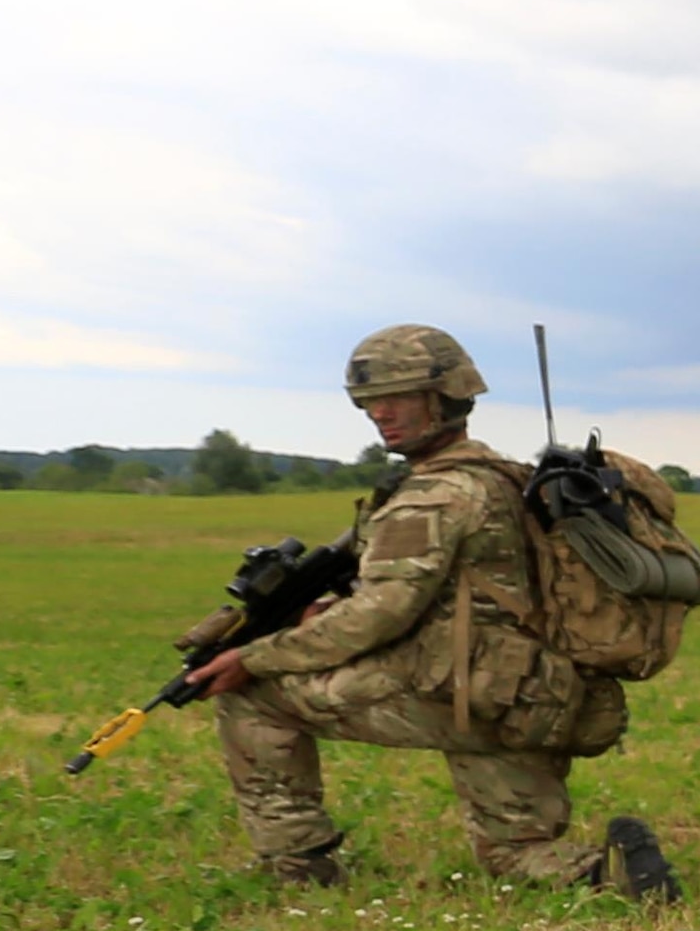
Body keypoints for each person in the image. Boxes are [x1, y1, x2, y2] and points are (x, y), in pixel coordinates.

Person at [191, 324, 675, 900]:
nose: (380, 414)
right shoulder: (507, 480)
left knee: (251, 698)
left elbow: (380, 615)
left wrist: (254, 657)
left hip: (461, 693)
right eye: (370, 402)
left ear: (445, 397)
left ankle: (299, 867)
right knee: (514, 854)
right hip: (535, 696)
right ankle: (617, 877)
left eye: (398, 398)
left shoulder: (433, 495)